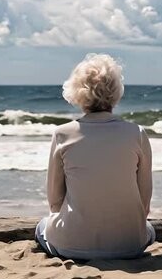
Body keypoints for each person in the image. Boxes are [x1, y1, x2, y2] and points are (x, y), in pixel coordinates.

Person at [35, 53, 154, 260]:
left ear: (77, 93)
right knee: (150, 229)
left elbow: (54, 200)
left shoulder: (62, 134)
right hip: (129, 244)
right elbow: (144, 202)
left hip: (72, 246)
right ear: (116, 92)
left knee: (41, 227)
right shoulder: (137, 133)